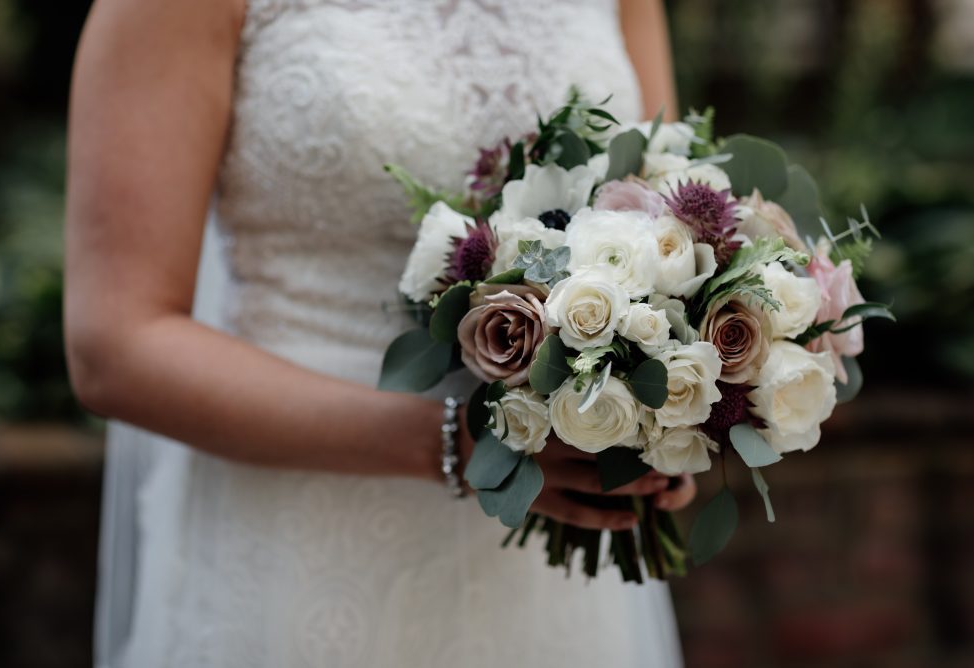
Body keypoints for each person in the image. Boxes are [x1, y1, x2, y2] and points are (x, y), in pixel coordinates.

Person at [64, 0, 696, 666]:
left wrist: (667, 420)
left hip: (551, 566)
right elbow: (115, 345)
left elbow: (665, 220)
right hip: (297, 537)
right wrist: (457, 445)